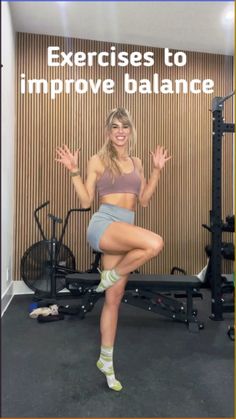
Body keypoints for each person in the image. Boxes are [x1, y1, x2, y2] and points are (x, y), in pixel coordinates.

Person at [56, 107, 171, 392]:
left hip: (125, 228)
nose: (120, 131)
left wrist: (156, 171)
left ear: (130, 131)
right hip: (104, 224)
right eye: (115, 127)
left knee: (114, 298)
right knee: (155, 243)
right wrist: (74, 171)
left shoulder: (137, 163)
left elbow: (143, 200)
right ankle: (109, 275)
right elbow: (85, 202)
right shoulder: (98, 160)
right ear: (108, 132)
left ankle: (106, 360)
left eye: (125, 127)